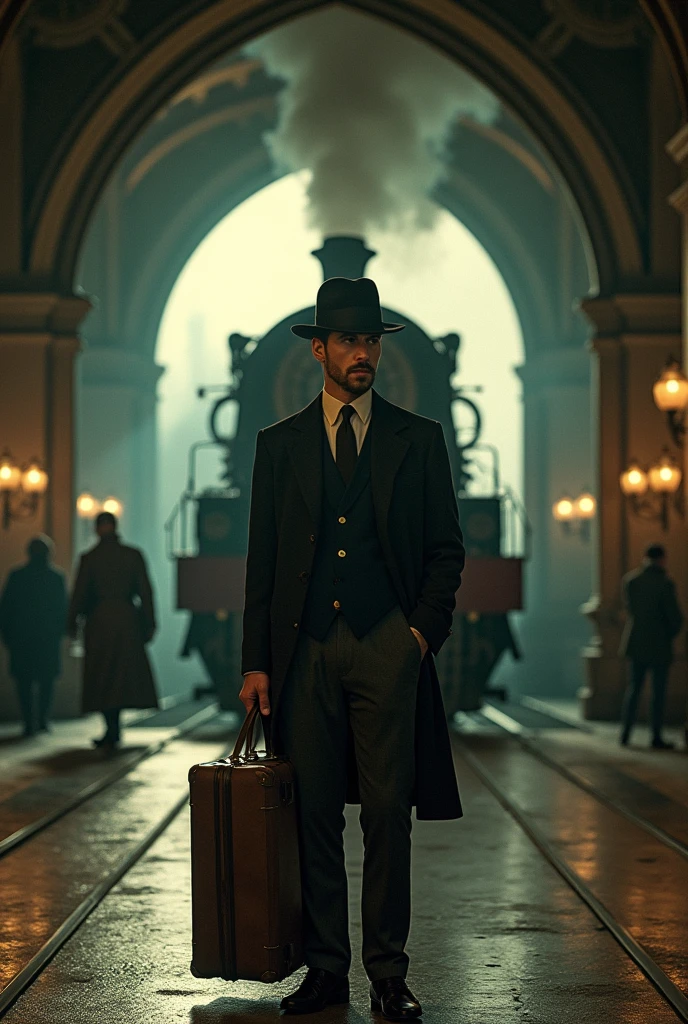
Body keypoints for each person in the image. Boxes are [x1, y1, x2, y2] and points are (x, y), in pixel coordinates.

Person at [240, 276, 465, 1020]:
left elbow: (446, 551)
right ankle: (327, 971)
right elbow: (263, 565)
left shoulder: (420, 438)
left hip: (386, 649)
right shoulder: (278, 447)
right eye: (349, 340)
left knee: (387, 814)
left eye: (370, 340)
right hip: (304, 652)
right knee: (312, 818)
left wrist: (418, 636)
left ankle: (389, 974)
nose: (363, 352)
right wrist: (256, 662)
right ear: (319, 349)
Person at [67, 511, 158, 751]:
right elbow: (146, 591)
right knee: (123, 676)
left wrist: (72, 624)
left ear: (97, 529)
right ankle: (115, 728)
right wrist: (150, 623)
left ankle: (111, 727)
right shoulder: (132, 555)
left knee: (103, 677)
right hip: (127, 622)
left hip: (99, 623)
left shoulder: (90, 558)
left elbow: (79, 595)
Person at [0, 535, 68, 737]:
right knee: (46, 681)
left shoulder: (17, 576)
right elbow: (62, 609)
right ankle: (42, 720)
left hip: (22, 638)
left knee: (25, 682)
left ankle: (30, 722)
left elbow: (6, 609)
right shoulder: (56, 577)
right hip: (47, 638)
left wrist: (7, 635)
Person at [618, 542, 683, 749]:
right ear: (662, 559)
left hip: (636, 642)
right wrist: (671, 633)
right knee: (658, 693)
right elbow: (674, 618)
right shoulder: (665, 583)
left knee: (634, 689)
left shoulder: (631, 581)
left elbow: (630, 609)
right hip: (659, 645)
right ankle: (656, 736)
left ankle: (625, 733)